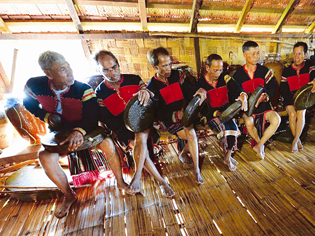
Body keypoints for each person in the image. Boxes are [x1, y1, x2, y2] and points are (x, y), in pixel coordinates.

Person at [23, 51, 127, 218]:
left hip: (86, 128)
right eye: (63, 69)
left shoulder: (83, 89)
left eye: (69, 66)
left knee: (107, 143)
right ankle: (69, 195)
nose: (70, 72)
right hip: (59, 133)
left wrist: (78, 131)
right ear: (48, 73)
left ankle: (121, 182)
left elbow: (92, 116)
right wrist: (46, 116)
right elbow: (28, 103)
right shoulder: (34, 85)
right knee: (44, 157)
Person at [93, 50, 175, 197]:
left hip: (144, 122)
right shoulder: (100, 92)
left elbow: (153, 102)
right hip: (122, 129)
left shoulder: (134, 79)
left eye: (114, 67)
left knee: (141, 135)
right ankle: (162, 182)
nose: (112, 72)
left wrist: (148, 93)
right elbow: (106, 118)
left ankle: (137, 177)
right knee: (137, 145)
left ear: (118, 65)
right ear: (98, 70)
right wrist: (121, 129)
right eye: (106, 69)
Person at [146, 47, 207, 184]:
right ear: (154, 66)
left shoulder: (178, 75)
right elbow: (157, 111)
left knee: (192, 134)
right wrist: (174, 115)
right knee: (192, 135)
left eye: (170, 64)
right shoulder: (152, 86)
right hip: (168, 119)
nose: (169, 68)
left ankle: (195, 167)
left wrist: (199, 91)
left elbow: (189, 91)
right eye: (164, 66)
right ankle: (190, 162)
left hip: (184, 114)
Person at [197, 54, 247, 171]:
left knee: (232, 129)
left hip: (226, 113)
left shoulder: (225, 78)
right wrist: (216, 114)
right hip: (210, 115)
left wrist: (242, 95)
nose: (218, 73)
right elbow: (201, 109)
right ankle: (228, 157)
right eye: (215, 70)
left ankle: (227, 156)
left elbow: (237, 88)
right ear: (207, 68)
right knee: (228, 131)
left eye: (220, 70)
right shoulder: (200, 85)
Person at [232, 41, 281, 159]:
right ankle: (260, 143)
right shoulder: (238, 75)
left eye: (258, 53)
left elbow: (273, 86)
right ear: (244, 55)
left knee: (276, 119)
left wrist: (265, 96)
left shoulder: (264, 71)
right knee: (248, 122)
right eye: (253, 54)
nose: (256, 57)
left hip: (264, 106)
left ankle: (259, 145)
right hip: (248, 109)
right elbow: (234, 92)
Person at [280, 42, 315, 152]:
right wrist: (291, 102)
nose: (296, 57)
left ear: (305, 55)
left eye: (299, 54)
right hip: (289, 99)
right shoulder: (287, 70)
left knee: (301, 111)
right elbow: (283, 90)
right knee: (292, 113)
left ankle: (294, 141)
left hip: (303, 100)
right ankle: (298, 140)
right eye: (295, 54)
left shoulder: (310, 68)